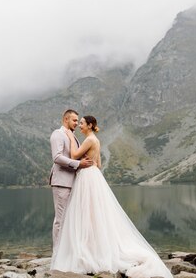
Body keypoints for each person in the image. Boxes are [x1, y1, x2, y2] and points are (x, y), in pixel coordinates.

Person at [50, 116, 173, 278]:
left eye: (81, 123)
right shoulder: (96, 140)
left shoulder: (88, 140)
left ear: (90, 125)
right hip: (94, 175)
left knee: (85, 214)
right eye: (77, 122)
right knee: (94, 214)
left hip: (86, 177)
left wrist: (71, 139)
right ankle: (92, 249)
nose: (79, 125)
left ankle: (84, 251)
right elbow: (99, 164)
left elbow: (73, 155)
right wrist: (88, 161)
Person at [49, 109, 93, 254]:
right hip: (61, 182)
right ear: (66, 119)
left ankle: (68, 252)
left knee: (71, 219)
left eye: (78, 121)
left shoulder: (73, 137)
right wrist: (78, 164)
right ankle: (57, 254)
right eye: (74, 120)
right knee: (60, 220)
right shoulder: (57, 134)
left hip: (73, 183)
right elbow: (57, 157)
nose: (77, 123)